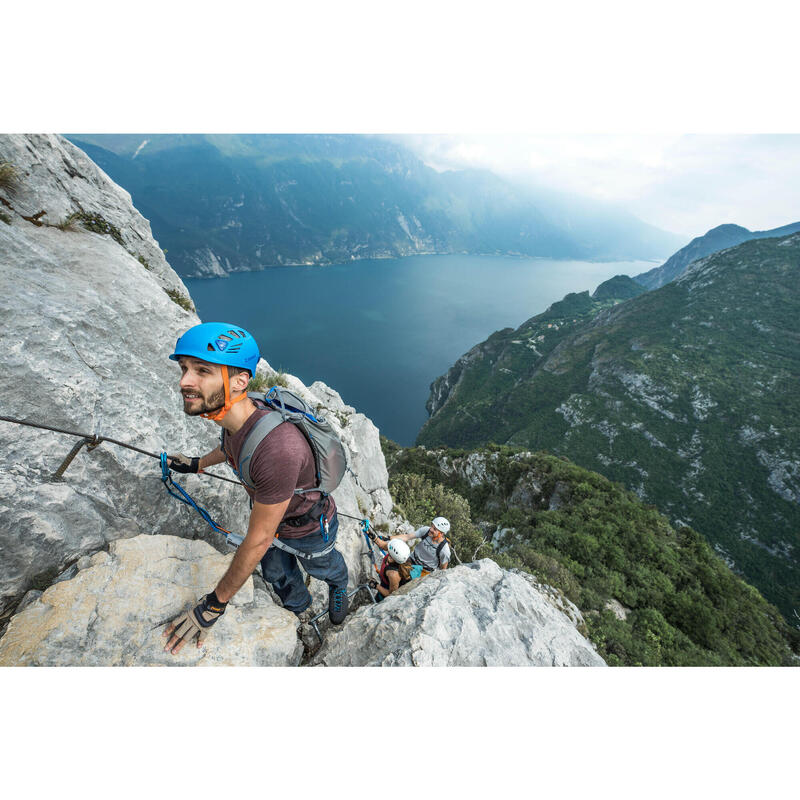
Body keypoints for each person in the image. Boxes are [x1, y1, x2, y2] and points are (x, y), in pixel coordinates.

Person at [162, 322, 349, 656]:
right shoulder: (237, 418)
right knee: (276, 571)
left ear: (240, 381)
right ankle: (299, 607)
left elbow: (258, 539)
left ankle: (338, 586)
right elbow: (232, 448)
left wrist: (213, 605)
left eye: (202, 370)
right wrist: (196, 464)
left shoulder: (278, 450)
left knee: (322, 566)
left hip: (308, 526)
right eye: (184, 369)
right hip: (274, 515)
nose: (184, 382)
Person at [384, 516, 451, 575]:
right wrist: (389, 538)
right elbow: (407, 537)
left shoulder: (444, 550)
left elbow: (443, 569)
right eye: (432, 526)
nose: (431, 529)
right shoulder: (426, 531)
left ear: (441, 534)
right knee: (391, 567)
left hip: (424, 570)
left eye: (435, 529)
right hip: (412, 559)